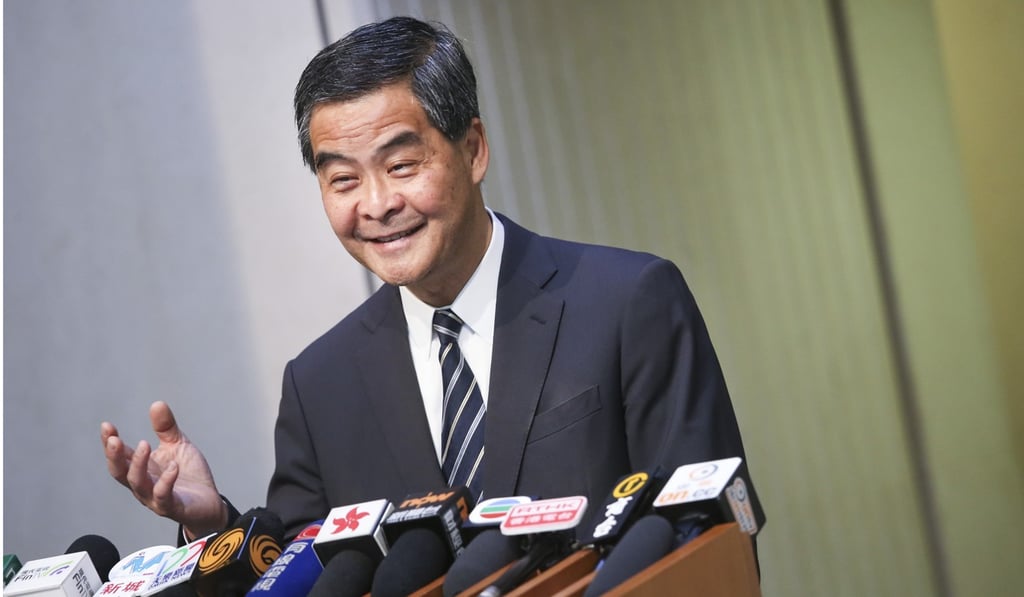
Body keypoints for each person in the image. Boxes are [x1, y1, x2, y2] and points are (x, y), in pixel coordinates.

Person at [100, 16, 753, 542]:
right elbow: (307, 569)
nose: (377, 204)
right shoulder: (320, 385)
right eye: (343, 179)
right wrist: (215, 525)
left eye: (402, 166)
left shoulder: (627, 302)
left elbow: (711, 533)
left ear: (473, 150)